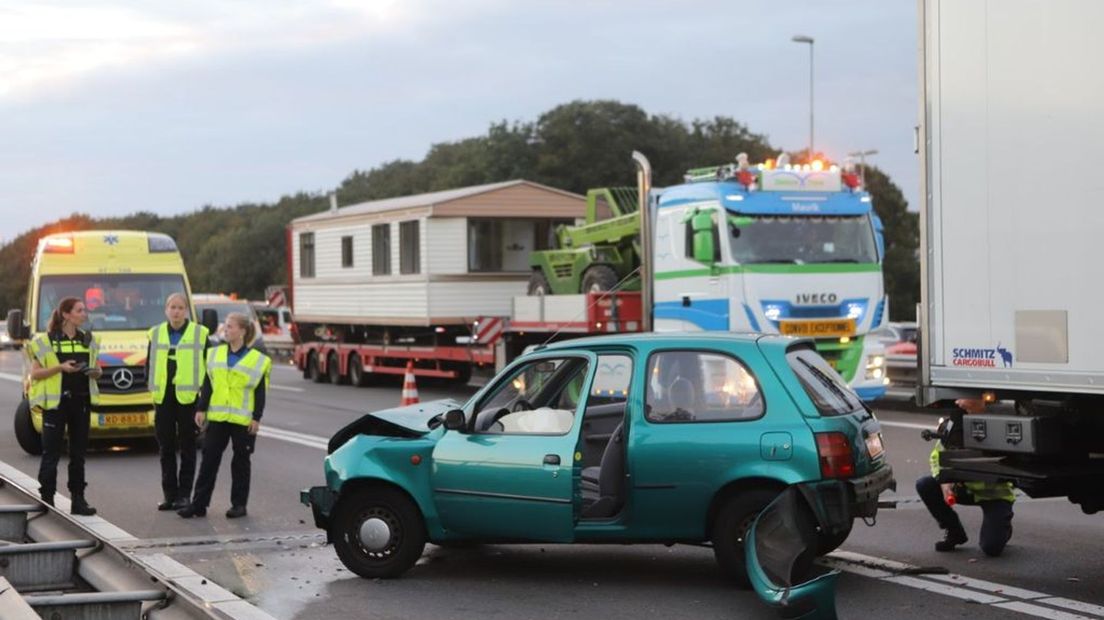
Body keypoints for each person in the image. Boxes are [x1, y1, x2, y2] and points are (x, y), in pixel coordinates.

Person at [178, 312, 271, 519]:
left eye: (230, 326)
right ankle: (198, 504)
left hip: (243, 420)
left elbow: (260, 392)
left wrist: (257, 418)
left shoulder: (258, 360)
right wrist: (201, 409)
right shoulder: (215, 354)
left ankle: (239, 505)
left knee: (241, 462)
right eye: (225, 326)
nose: (225, 330)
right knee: (209, 459)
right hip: (218, 418)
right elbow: (208, 384)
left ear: (242, 331)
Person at [27, 297, 102, 515]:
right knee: (51, 453)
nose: (84, 314)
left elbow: (98, 370)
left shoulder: (88, 339)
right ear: (66, 315)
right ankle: (47, 499)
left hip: (81, 402)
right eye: (80, 310)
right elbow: (35, 373)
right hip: (55, 404)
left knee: (78, 455)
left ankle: (78, 500)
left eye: (84, 310)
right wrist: (60, 368)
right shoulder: (46, 341)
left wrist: (95, 372)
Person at [916, 398, 1015, 556]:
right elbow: (937, 456)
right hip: (962, 489)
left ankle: (1004, 527)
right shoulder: (954, 424)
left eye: (964, 399)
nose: (959, 402)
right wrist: (944, 482)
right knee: (925, 485)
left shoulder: (998, 425)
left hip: (994, 495)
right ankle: (954, 532)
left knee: (991, 549)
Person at [146, 293, 209, 511]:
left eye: (181, 307)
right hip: (163, 399)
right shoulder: (155, 333)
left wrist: (203, 404)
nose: (176, 311)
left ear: (186, 311)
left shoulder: (200, 334)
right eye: (172, 307)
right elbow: (150, 364)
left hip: (188, 400)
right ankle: (169, 495)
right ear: (166, 310)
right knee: (166, 448)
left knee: (187, 448)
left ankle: (184, 496)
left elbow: (209, 371)